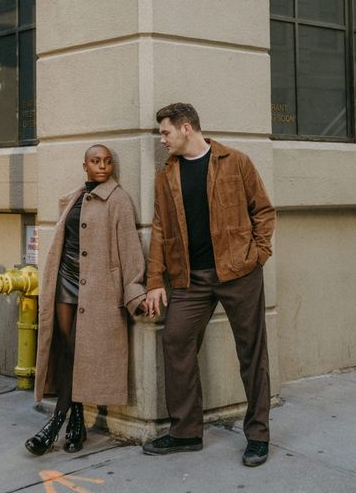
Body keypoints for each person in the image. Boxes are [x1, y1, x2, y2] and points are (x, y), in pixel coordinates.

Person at [142, 103, 275, 467]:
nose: (162, 139)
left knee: (251, 352)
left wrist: (258, 254)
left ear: (186, 128)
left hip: (239, 273)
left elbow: (263, 210)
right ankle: (185, 432)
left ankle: (259, 436)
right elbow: (159, 229)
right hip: (189, 278)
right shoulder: (166, 175)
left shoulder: (236, 161)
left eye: (166, 132)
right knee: (175, 339)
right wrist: (155, 280)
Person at [25, 144, 148, 456]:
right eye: (96, 162)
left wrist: (134, 291)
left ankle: (55, 424)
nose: (103, 167)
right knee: (68, 350)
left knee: (79, 351)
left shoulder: (118, 200)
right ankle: (77, 419)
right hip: (66, 280)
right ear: (85, 166)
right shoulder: (75, 197)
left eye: (107, 161)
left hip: (97, 290)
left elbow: (131, 250)